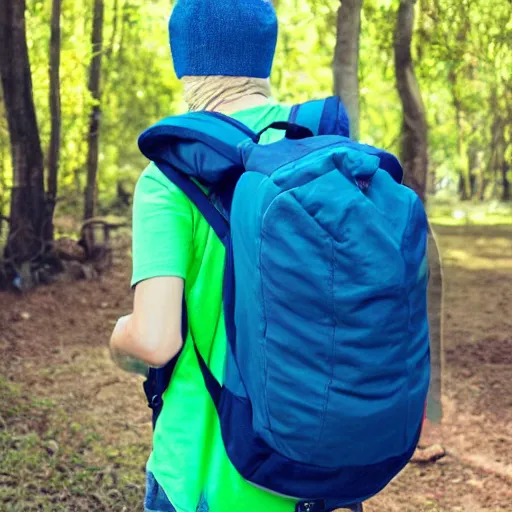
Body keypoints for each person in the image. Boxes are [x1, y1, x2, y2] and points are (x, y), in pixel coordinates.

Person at [110, 1, 324, 511]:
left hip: (206, 477)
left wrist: (120, 337)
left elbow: (156, 342)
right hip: (315, 478)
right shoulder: (322, 154)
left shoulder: (170, 175)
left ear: (184, 60)